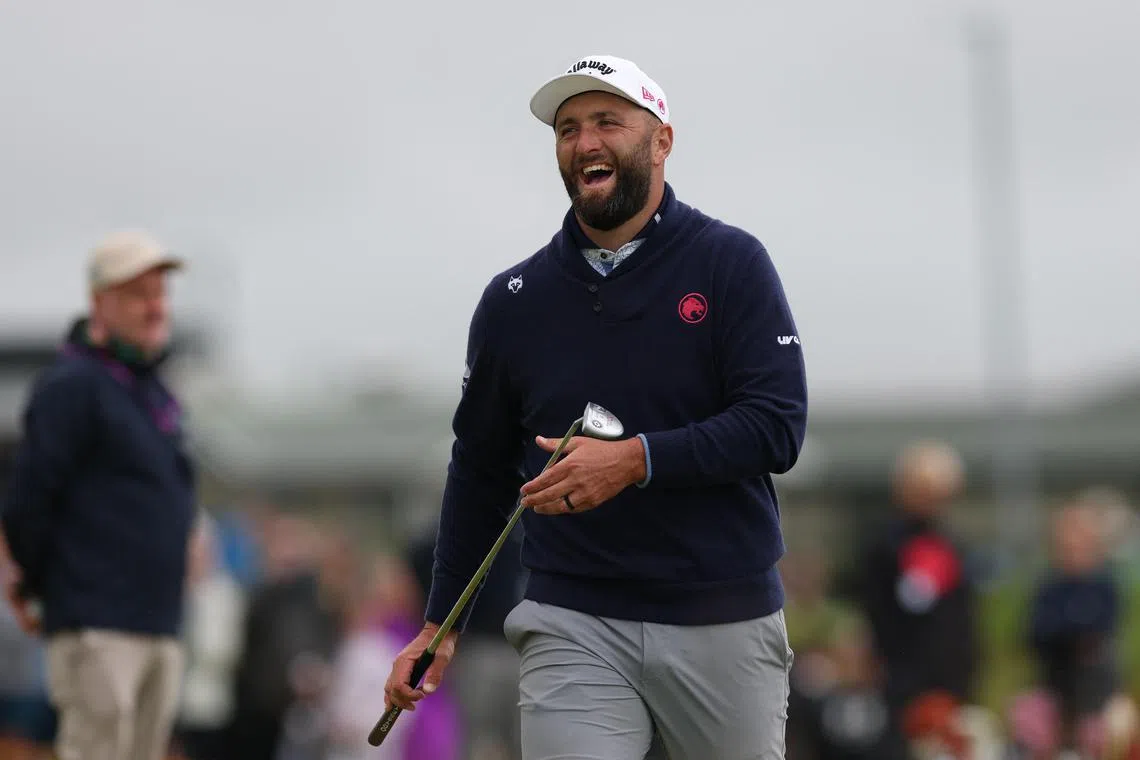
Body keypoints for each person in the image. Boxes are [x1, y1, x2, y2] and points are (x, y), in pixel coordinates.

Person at [384, 54, 808, 760]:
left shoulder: (730, 264)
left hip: (721, 613)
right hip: (572, 619)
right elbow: (480, 469)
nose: (585, 143)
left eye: (608, 122)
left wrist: (635, 461)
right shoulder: (514, 301)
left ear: (661, 141)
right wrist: (441, 623)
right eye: (568, 129)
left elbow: (776, 426)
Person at [0, 229, 196, 760]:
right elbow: (28, 501)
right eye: (138, 295)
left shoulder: (151, 390)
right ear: (99, 303)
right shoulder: (73, 385)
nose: (155, 307)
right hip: (97, 621)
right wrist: (44, 587)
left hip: (156, 619)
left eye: (159, 293)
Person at [855, 440, 979, 756]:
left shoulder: (952, 544)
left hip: (950, 680)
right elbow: (877, 611)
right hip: (900, 680)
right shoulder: (885, 545)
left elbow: (962, 616)